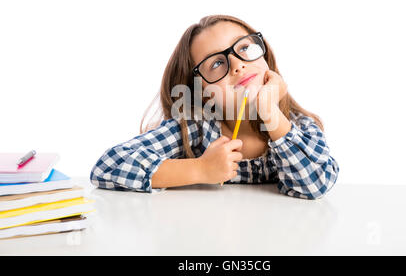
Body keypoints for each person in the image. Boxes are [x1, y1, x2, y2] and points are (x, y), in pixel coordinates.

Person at [90, 14, 339, 200]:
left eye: (243, 48)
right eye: (217, 63)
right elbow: (108, 166)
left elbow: (316, 184)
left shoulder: (298, 126)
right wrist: (200, 169)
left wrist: (269, 110)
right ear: (205, 94)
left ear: (265, 58)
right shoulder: (194, 130)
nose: (237, 65)